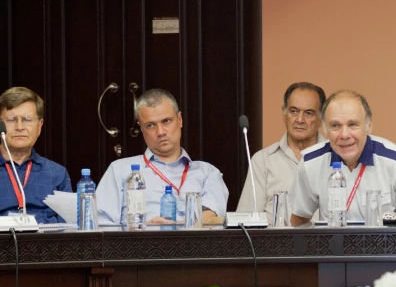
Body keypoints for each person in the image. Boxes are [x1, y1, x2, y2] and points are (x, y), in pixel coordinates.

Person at [290, 89, 396, 225]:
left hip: (384, 244)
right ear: (325, 129)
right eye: (335, 125)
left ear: (369, 126)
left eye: (353, 125)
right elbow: (299, 220)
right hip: (332, 244)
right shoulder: (310, 163)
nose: (344, 135)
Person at [97, 88, 228, 225]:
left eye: (166, 121)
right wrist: (144, 230)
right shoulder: (120, 170)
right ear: (141, 128)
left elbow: (212, 215)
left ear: (180, 120)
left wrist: (176, 230)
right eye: (150, 125)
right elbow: (101, 225)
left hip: (194, 245)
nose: (160, 132)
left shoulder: (207, 172)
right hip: (139, 244)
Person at [237, 82, 326, 217]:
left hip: (323, 238)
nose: (300, 119)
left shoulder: (335, 157)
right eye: (294, 111)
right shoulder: (262, 160)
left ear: (321, 119)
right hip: (272, 238)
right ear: (284, 115)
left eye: (309, 113)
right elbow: (246, 220)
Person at [0, 87, 71, 223]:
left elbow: (67, 229)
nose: (19, 127)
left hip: (47, 243)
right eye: (11, 119)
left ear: (39, 125)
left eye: (27, 119)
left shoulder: (57, 174)